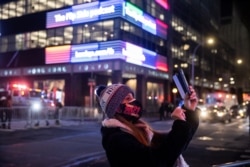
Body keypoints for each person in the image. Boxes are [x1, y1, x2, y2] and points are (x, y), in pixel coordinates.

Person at [95, 84, 199, 167]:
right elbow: (159, 160)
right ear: (116, 108)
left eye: (133, 98)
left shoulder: (141, 129)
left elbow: (176, 145)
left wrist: (189, 110)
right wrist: (179, 124)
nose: (134, 102)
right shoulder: (116, 140)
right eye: (128, 98)